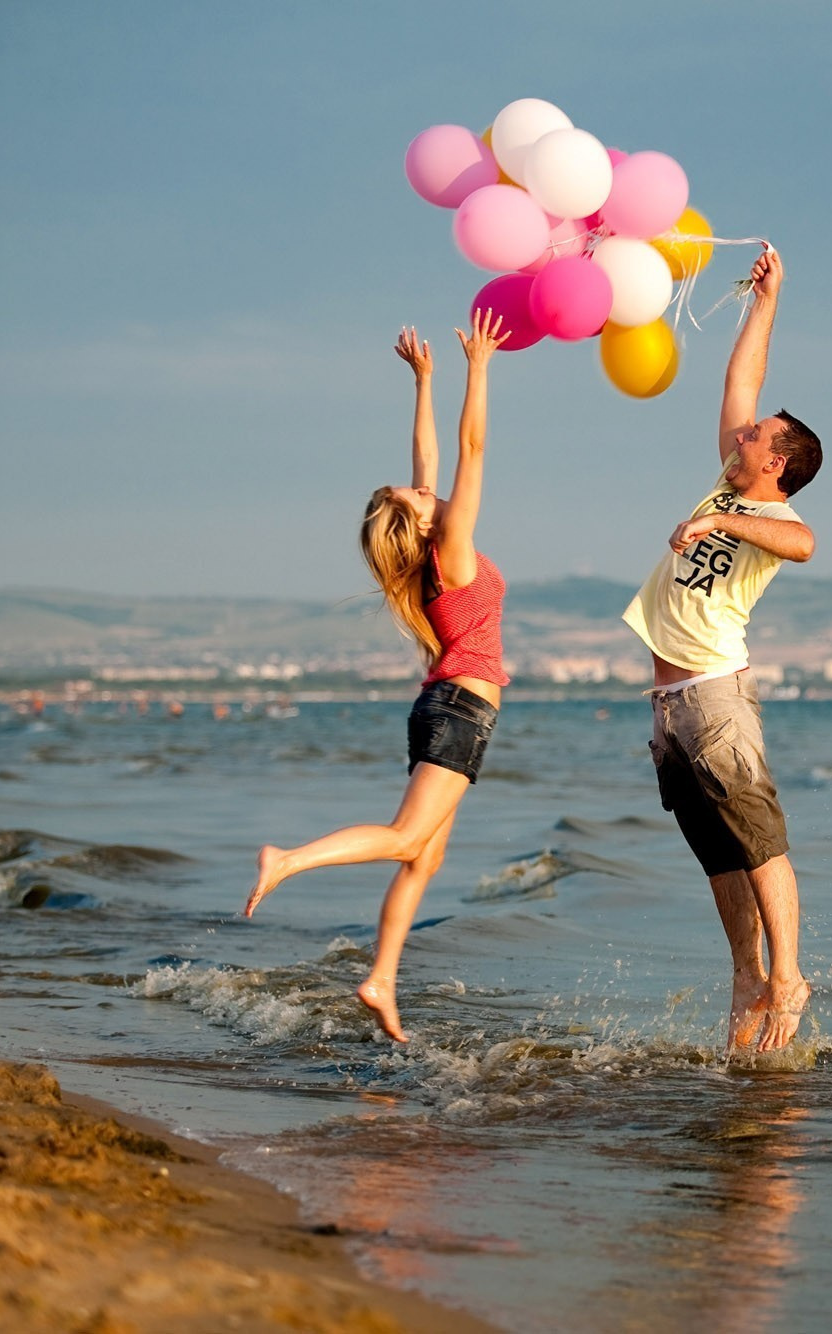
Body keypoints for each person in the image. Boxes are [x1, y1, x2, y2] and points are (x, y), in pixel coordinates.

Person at [244, 309, 512, 1042]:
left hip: (447, 707)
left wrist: (425, 380)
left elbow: (426, 458)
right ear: (425, 526)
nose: (431, 490)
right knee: (404, 840)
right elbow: (471, 448)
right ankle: (288, 858)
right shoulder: (452, 552)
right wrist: (480, 369)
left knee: (426, 857)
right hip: (460, 710)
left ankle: (381, 979)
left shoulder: (431, 551)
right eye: (421, 496)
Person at [622, 247, 823, 1055]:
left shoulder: (763, 519)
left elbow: (805, 543)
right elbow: (741, 381)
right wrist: (767, 300)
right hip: (670, 707)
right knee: (717, 855)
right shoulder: (726, 473)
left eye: (758, 434)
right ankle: (746, 974)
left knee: (761, 840)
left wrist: (721, 522)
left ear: (775, 462)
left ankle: (789, 976)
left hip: (714, 698)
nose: (743, 429)